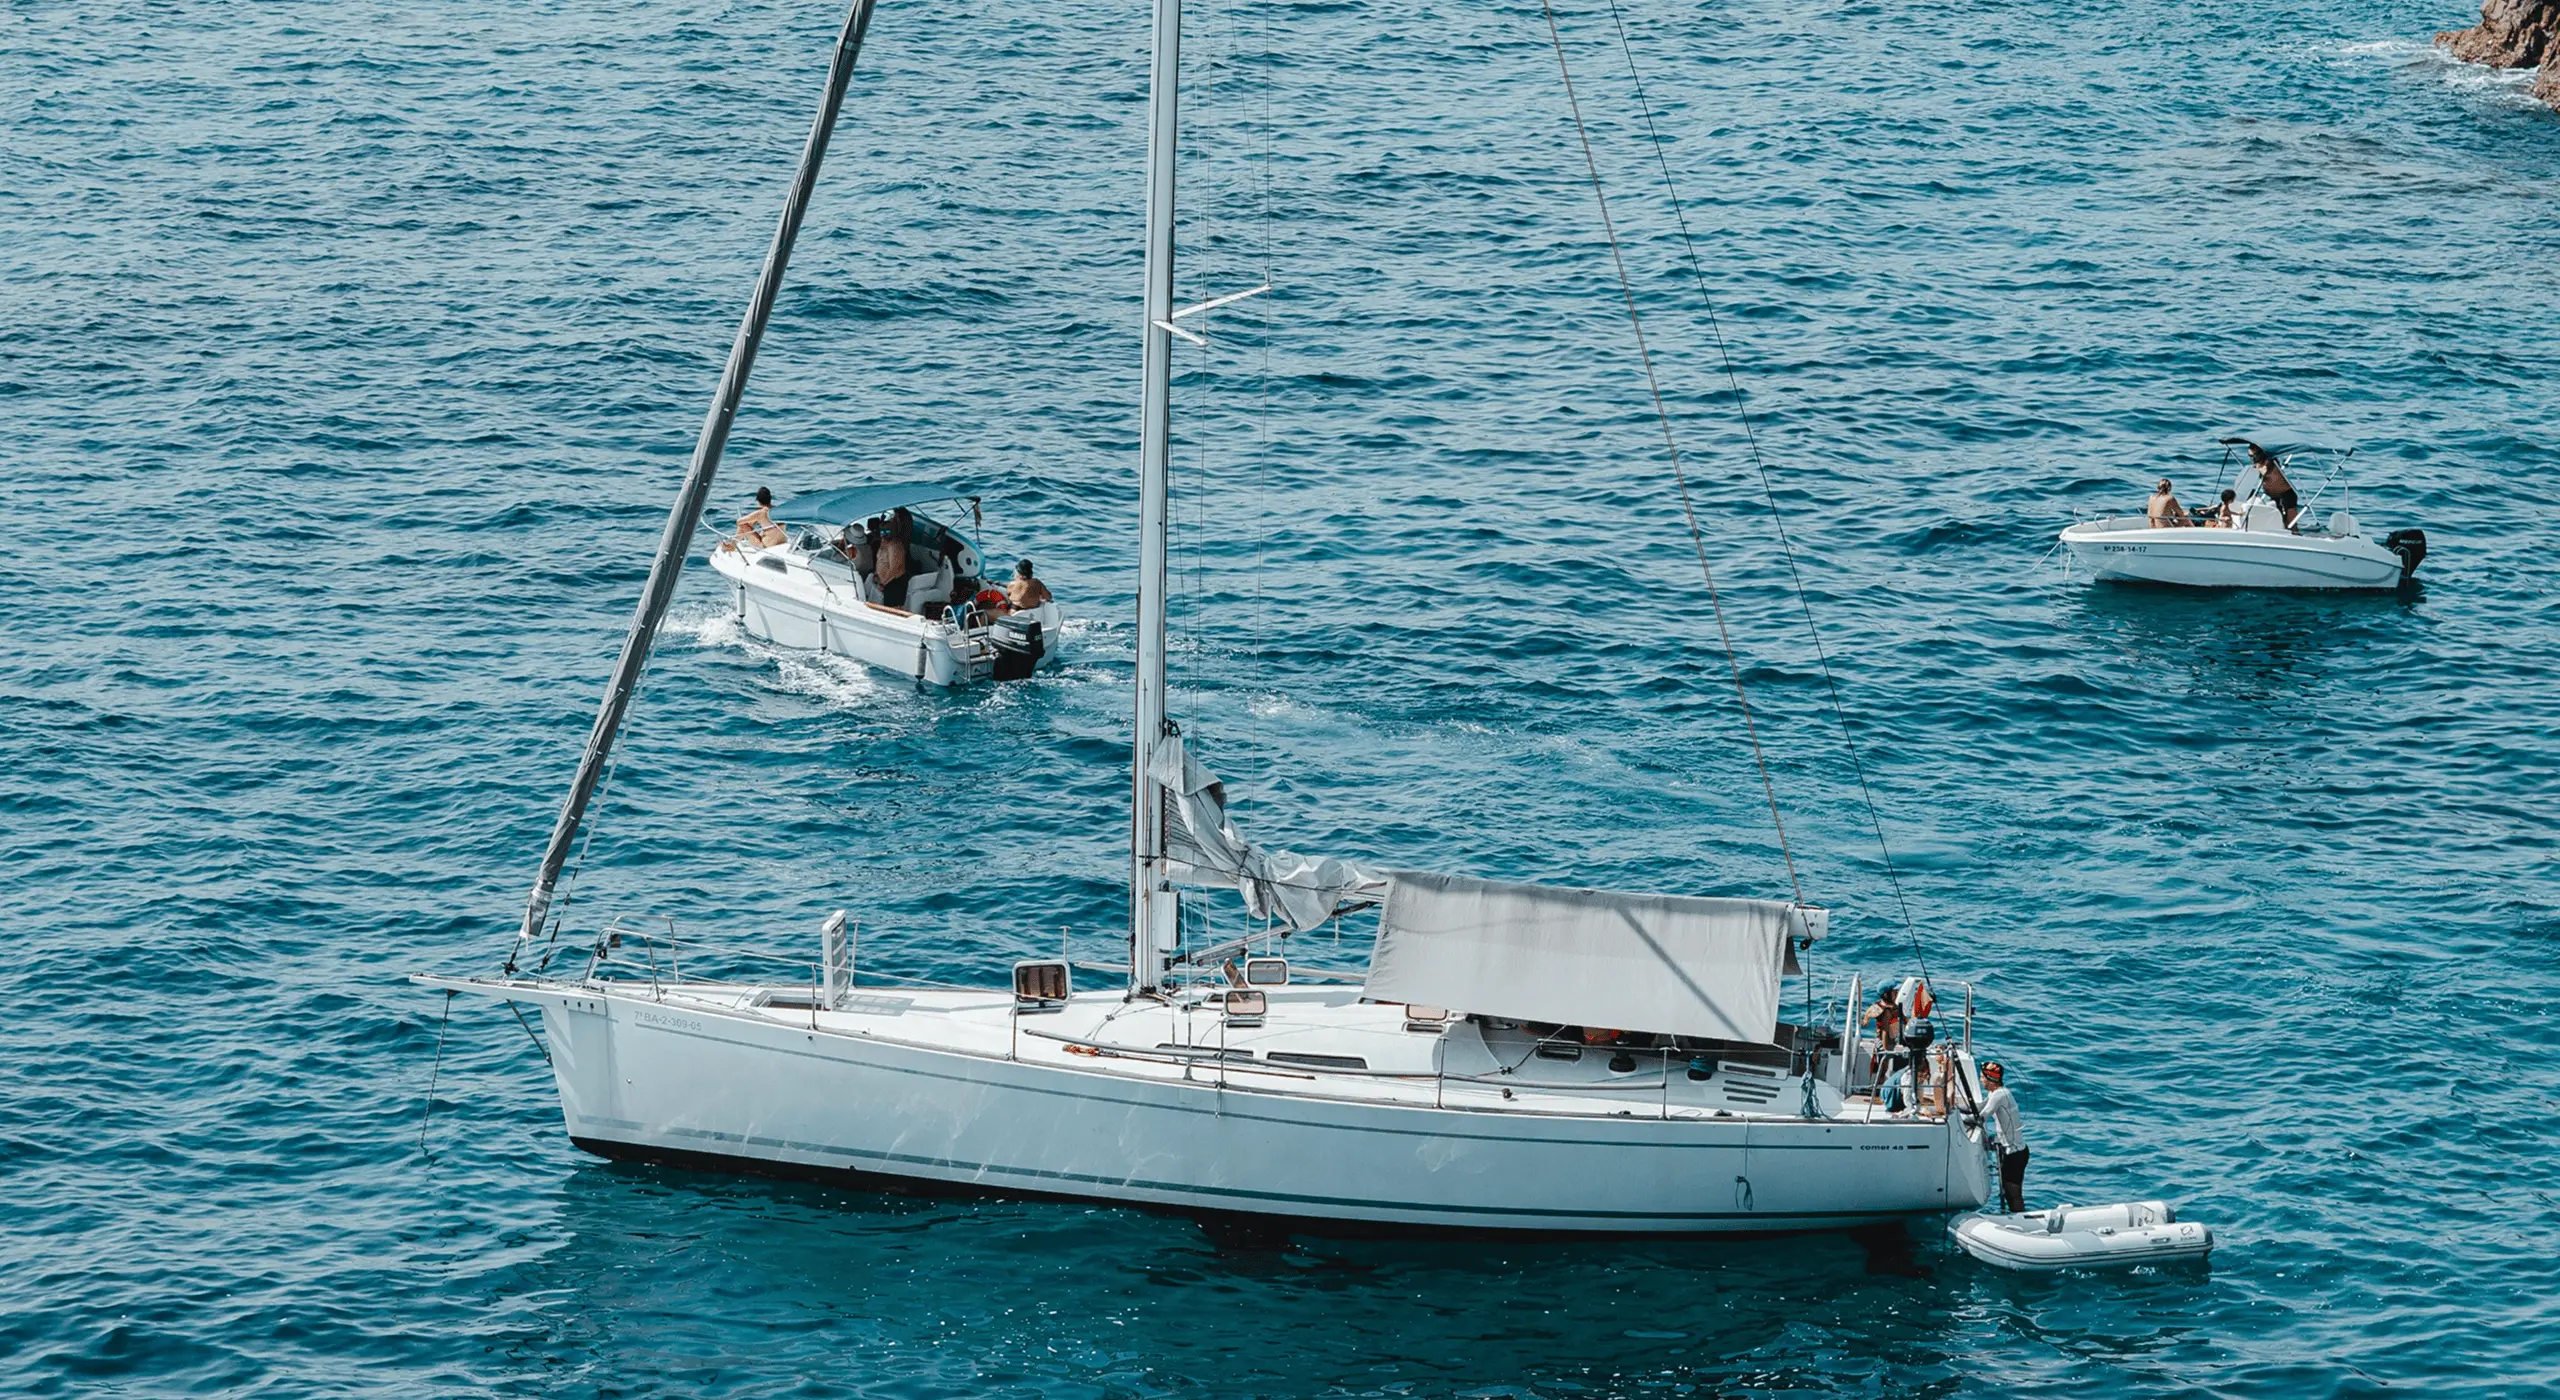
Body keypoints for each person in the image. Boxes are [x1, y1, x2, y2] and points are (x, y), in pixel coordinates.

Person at [1980, 1060, 2028, 1213]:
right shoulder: (1995, 1093)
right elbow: (1981, 1106)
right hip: (2008, 1149)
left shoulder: (2000, 1095)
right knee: (2006, 1191)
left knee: (2012, 1192)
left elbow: (1982, 1116)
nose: (1980, 1080)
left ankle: (2020, 1220)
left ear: (1990, 1079)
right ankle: (2011, 1216)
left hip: (2015, 1153)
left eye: (1982, 1077)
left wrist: (1960, 1120)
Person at [2249, 443, 2299, 528]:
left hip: (2286, 494)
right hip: (2274, 495)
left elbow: (2264, 471)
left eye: (2254, 456)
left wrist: (2255, 470)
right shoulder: (2258, 465)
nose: (2252, 459)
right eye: (2250, 456)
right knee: (2278, 516)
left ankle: (2295, 532)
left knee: (2290, 517)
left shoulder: (2269, 462)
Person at [875, 511, 910, 608]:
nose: (884, 535)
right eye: (882, 532)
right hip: (887, 582)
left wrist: (883, 583)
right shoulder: (884, 542)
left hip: (894, 583)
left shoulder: (895, 546)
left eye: (887, 532)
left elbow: (894, 569)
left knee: (894, 609)